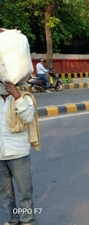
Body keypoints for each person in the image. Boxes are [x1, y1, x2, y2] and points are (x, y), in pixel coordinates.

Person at [0, 80, 40, 225]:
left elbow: (28, 117)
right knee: (4, 193)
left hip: (18, 153)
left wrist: (17, 96)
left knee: (25, 191)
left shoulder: (25, 97)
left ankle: (27, 220)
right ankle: (12, 220)